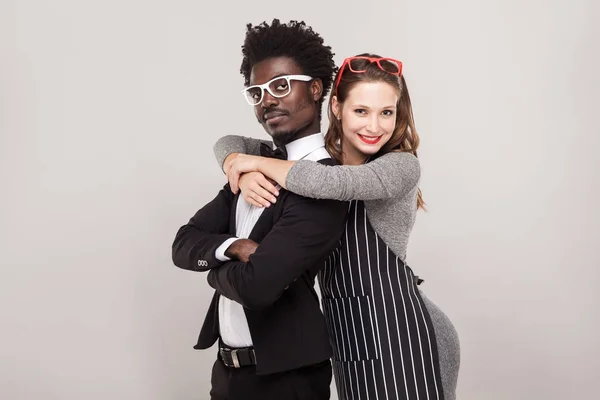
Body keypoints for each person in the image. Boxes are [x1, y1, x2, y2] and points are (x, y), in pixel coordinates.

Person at [213, 55, 461, 399]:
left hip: (403, 334)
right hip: (348, 337)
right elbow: (228, 142)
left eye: (386, 112)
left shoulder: (400, 167)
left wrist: (253, 163)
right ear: (336, 108)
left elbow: (330, 183)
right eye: (361, 111)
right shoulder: (312, 160)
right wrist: (235, 163)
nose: (374, 126)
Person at [171, 19, 348, 400]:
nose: (267, 100)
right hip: (227, 373)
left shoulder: (324, 184)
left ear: (315, 89)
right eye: (256, 92)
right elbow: (182, 244)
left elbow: (257, 287)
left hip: (286, 380)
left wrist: (212, 267)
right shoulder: (252, 165)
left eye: (281, 86)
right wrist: (234, 247)